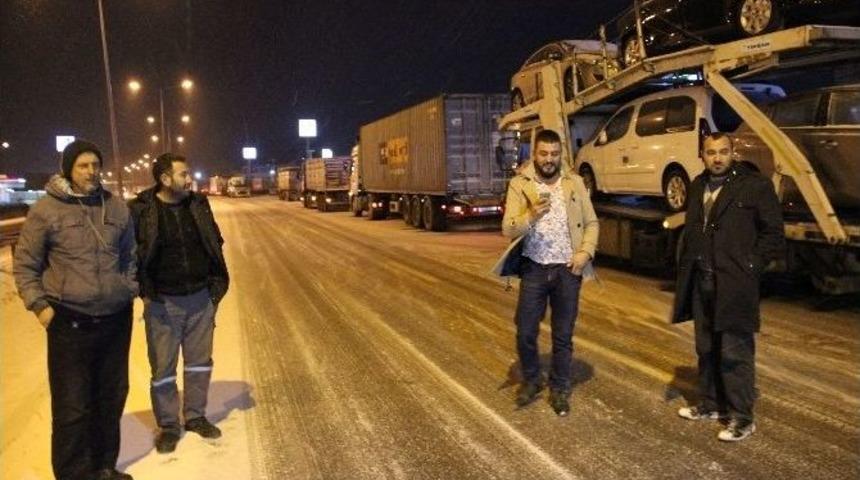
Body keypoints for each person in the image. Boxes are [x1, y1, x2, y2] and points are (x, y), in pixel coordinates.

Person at [14, 140, 137, 480]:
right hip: (69, 320)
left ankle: (104, 467)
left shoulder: (115, 207)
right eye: (83, 165)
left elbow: (131, 256)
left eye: (95, 164)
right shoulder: (46, 211)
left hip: (115, 318)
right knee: (73, 404)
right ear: (68, 168)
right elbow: (25, 265)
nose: (91, 171)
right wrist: (41, 307)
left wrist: (128, 289)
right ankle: (73, 474)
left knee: (111, 397)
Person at [672, 132, 784, 442]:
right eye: (711, 153)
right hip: (702, 281)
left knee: (735, 353)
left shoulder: (755, 185)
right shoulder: (697, 186)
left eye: (723, 152)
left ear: (733, 153)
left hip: (734, 284)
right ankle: (709, 404)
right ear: (702, 155)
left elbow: (773, 234)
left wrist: (751, 267)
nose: (717, 158)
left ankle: (742, 419)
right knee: (706, 348)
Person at [128, 153, 229, 454]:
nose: (189, 179)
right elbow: (131, 254)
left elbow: (214, 241)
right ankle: (169, 425)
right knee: (164, 371)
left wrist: (214, 287)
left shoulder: (198, 204)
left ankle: (196, 416)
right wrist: (143, 291)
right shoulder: (141, 210)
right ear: (165, 179)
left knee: (199, 365)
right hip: (162, 303)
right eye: (183, 174)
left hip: (200, 298)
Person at [501, 129, 599, 416]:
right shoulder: (520, 184)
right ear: (535, 153)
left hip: (568, 270)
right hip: (534, 268)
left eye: (554, 154)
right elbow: (508, 228)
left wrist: (585, 252)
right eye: (543, 153)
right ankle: (532, 379)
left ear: (560, 155)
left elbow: (591, 223)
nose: (549, 159)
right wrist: (530, 216)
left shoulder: (575, 184)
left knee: (562, 336)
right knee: (525, 332)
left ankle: (560, 387)